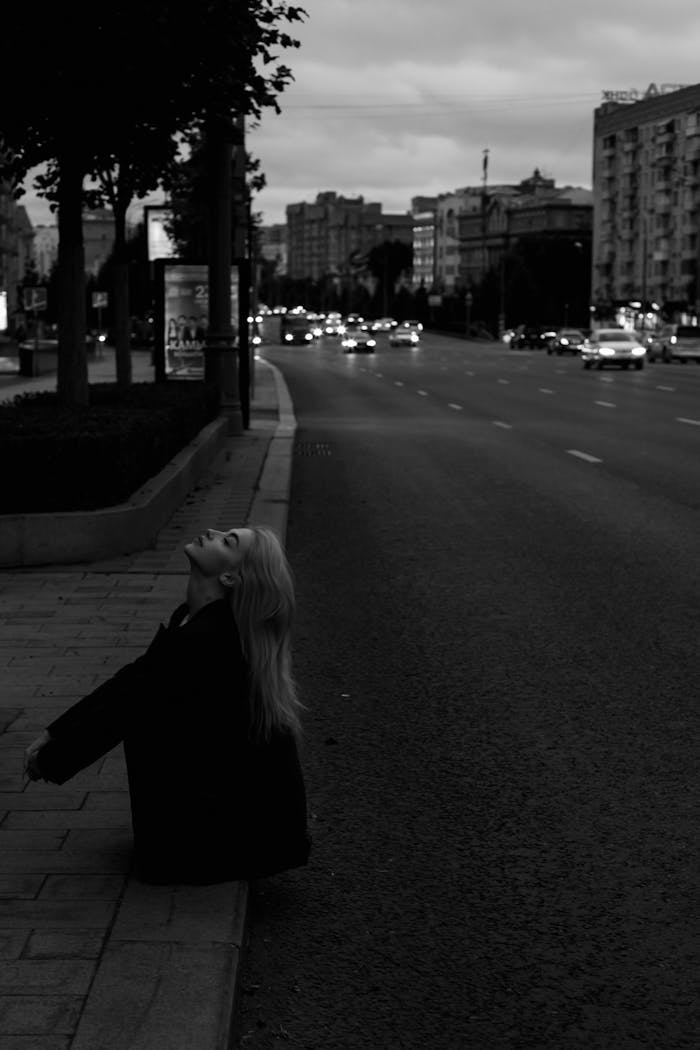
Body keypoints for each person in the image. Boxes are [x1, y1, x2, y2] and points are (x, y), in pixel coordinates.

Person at [23, 526, 311, 885]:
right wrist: (55, 731)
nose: (212, 531)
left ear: (230, 576)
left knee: (147, 713)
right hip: (237, 830)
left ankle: (179, 843)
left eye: (228, 540)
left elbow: (123, 710)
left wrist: (49, 762)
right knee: (148, 697)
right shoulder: (194, 621)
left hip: (222, 849)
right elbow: (132, 680)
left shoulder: (207, 639)